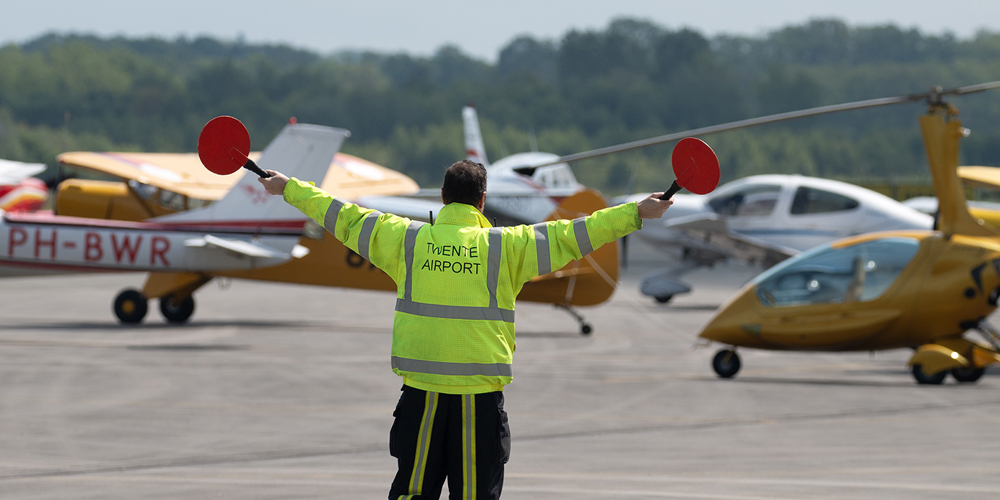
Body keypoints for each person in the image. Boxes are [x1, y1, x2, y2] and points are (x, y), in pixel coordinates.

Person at [258, 160, 672, 499]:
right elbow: (575, 234)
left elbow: (343, 216)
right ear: (482, 200)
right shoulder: (507, 248)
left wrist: (289, 188)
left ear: (442, 197)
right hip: (479, 402)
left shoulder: (405, 241)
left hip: (421, 398)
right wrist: (636, 212)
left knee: (412, 493)